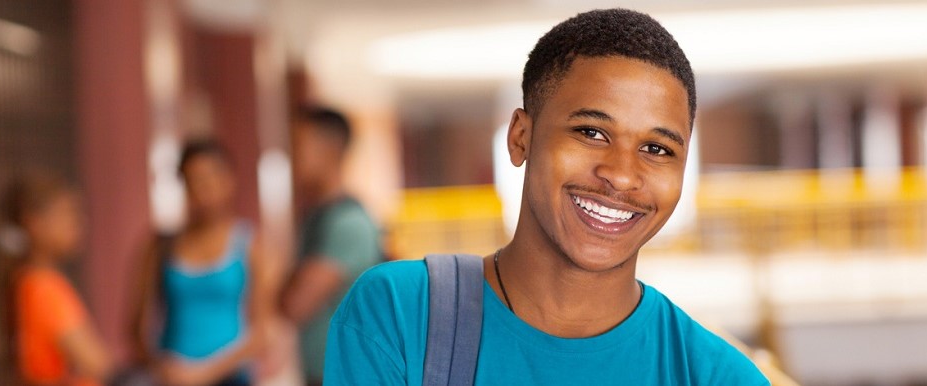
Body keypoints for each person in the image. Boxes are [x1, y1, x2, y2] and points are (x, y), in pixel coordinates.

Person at [324, 8, 770, 385]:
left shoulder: (717, 375)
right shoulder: (402, 317)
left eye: (657, 149)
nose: (620, 175)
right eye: (591, 132)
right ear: (521, 138)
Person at [129, 139, 282, 386]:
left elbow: (263, 331)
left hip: (232, 377)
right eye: (194, 181)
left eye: (211, 179)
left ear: (229, 181)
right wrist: (161, 367)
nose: (203, 190)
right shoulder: (160, 246)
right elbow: (136, 326)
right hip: (172, 378)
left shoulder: (250, 245)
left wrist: (204, 373)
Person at [281, 107, 382, 385]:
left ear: (331, 149)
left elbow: (295, 305)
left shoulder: (348, 222)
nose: (291, 155)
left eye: (298, 144)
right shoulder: (317, 216)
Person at [4, 171, 111, 386]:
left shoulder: (27, 280)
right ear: (33, 223)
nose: (78, 223)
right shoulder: (43, 287)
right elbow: (98, 363)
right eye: (67, 213)